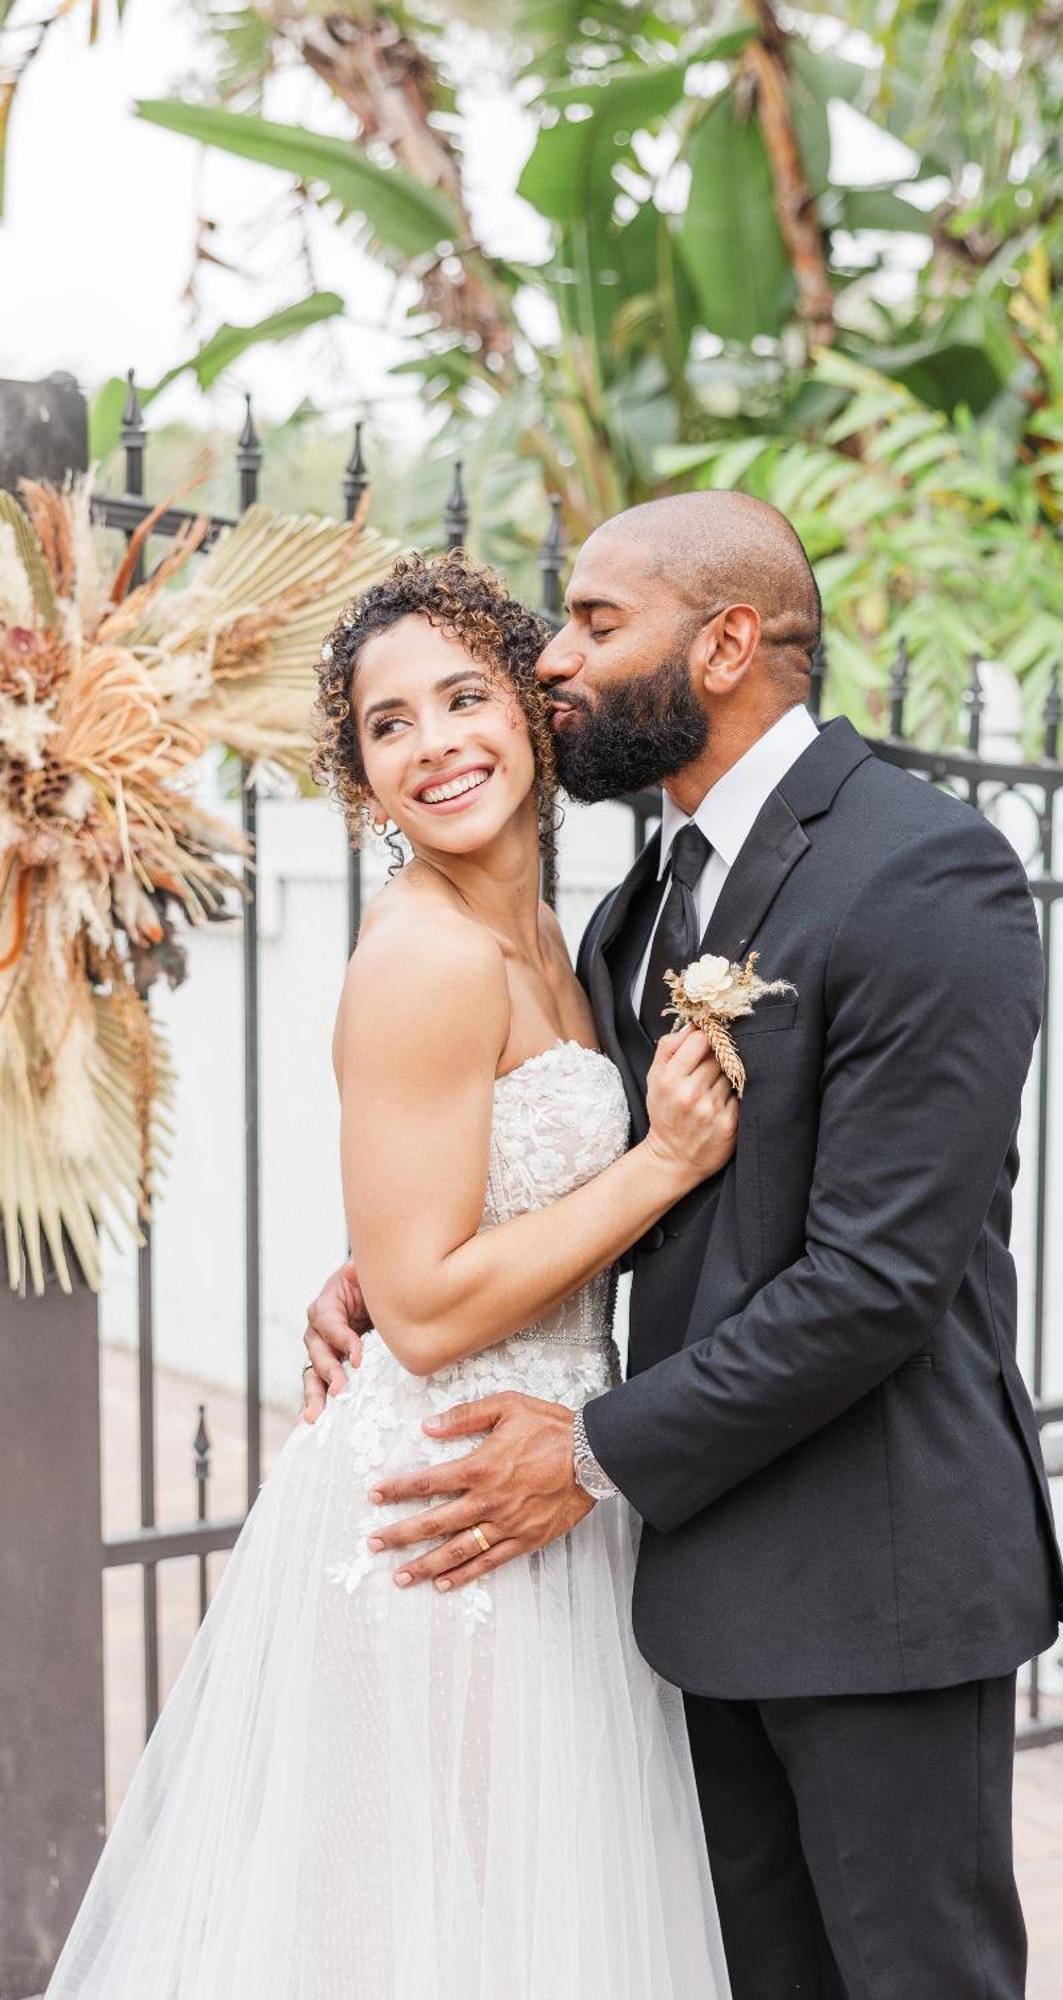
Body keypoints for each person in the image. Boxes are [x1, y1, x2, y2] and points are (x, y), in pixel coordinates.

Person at [306, 491, 1063, 2000]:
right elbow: (612, 1183)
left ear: (724, 644)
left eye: (594, 625)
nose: (556, 669)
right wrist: (389, 1267)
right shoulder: (638, 903)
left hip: (874, 1582)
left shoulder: (926, 871)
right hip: (684, 1585)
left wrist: (589, 1450)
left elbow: (877, 1281)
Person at [46, 552, 734, 2000]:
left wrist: (364, 1260)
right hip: (445, 1514)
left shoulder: (562, 936)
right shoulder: (424, 955)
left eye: (465, 698)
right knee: (431, 1934)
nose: (435, 746)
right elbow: (422, 1314)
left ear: (539, 718)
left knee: (520, 1922)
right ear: (359, 781)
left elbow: (437, 1217)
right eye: (388, 725)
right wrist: (657, 1166)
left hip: (548, 1480)